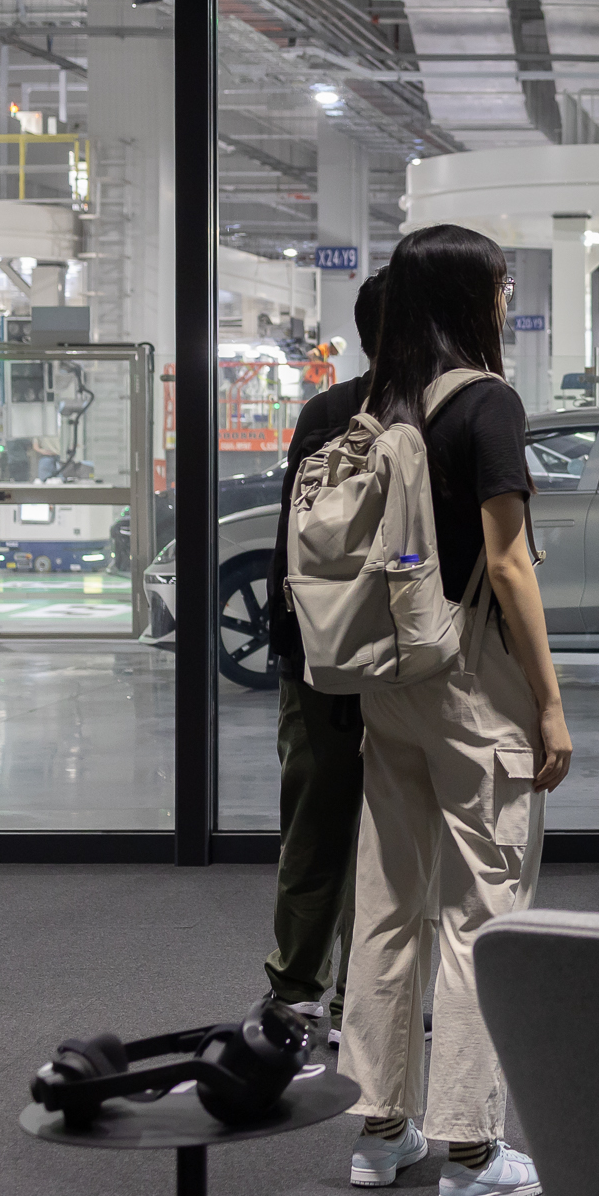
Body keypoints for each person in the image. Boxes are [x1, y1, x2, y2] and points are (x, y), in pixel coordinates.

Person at [338, 224, 573, 1196]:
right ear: (466, 299)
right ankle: (473, 1151)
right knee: (482, 911)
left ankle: (380, 1131)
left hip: (388, 673)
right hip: (472, 679)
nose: (505, 299)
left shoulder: (372, 406)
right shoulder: (485, 404)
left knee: (388, 899)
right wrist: (550, 704)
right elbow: (509, 563)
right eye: (499, 285)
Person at [262, 267, 389, 1044]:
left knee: (315, 819)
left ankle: (296, 990)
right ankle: (362, 996)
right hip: (403, 651)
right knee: (394, 829)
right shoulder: (424, 415)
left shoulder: (326, 409)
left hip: (315, 648)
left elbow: (290, 544)